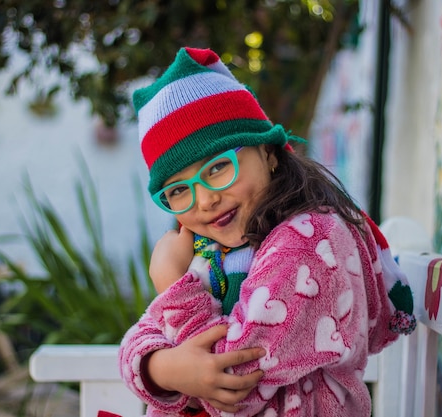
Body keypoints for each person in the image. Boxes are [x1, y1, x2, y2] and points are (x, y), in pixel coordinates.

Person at [117, 47, 416, 417]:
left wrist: (173, 288)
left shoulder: (311, 241)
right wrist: (160, 367)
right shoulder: (213, 250)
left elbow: (235, 386)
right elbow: (137, 340)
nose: (206, 199)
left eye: (218, 168)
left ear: (269, 153)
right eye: (179, 190)